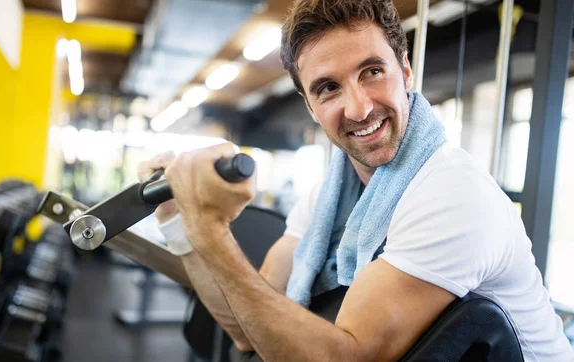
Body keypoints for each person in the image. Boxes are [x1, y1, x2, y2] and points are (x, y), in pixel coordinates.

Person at [137, 0, 574, 360]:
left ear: (405, 71)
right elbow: (245, 328)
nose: (360, 108)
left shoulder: (452, 193)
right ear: (310, 107)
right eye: (328, 88)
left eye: (372, 71)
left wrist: (211, 231)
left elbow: (344, 358)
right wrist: (179, 221)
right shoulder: (327, 202)